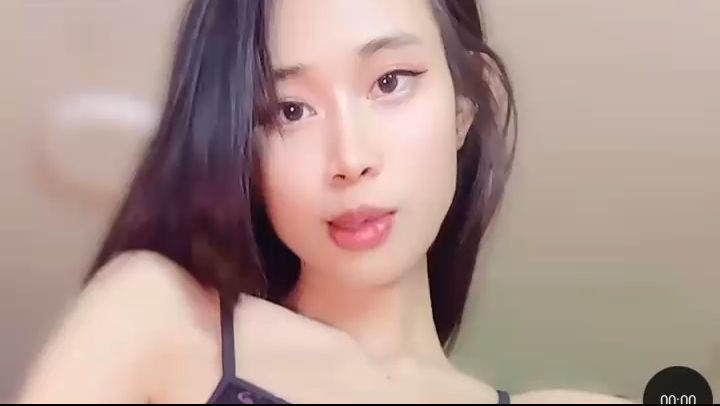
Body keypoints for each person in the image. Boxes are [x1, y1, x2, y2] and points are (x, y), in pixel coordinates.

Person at [18, 0, 632, 403]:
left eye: (390, 82)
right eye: (290, 111)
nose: (349, 157)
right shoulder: (158, 320)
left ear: (463, 109)